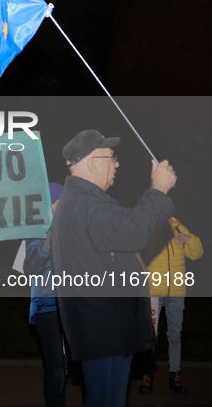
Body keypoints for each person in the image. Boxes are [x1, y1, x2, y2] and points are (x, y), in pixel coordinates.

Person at [50, 129, 177, 407]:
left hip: (98, 328)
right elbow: (132, 230)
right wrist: (158, 190)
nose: (117, 163)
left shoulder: (75, 202)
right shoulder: (85, 203)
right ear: (92, 162)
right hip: (105, 329)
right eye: (112, 157)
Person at [138, 217, 203, 394]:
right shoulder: (149, 226)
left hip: (176, 294)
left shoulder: (179, 227)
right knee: (150, 336)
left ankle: (174, 374)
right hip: (153, 293)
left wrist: (190, 240)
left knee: (175, 335)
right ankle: (146, 374)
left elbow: (197, 254)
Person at [24, 182, 66, 407]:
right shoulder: (36, 230)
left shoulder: (73, 227)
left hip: (74, 304)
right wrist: (46, 246)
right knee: (57, 366)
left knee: (83, 364)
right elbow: (29, 268)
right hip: (47, 305)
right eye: (61, 201)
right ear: (50, 205)